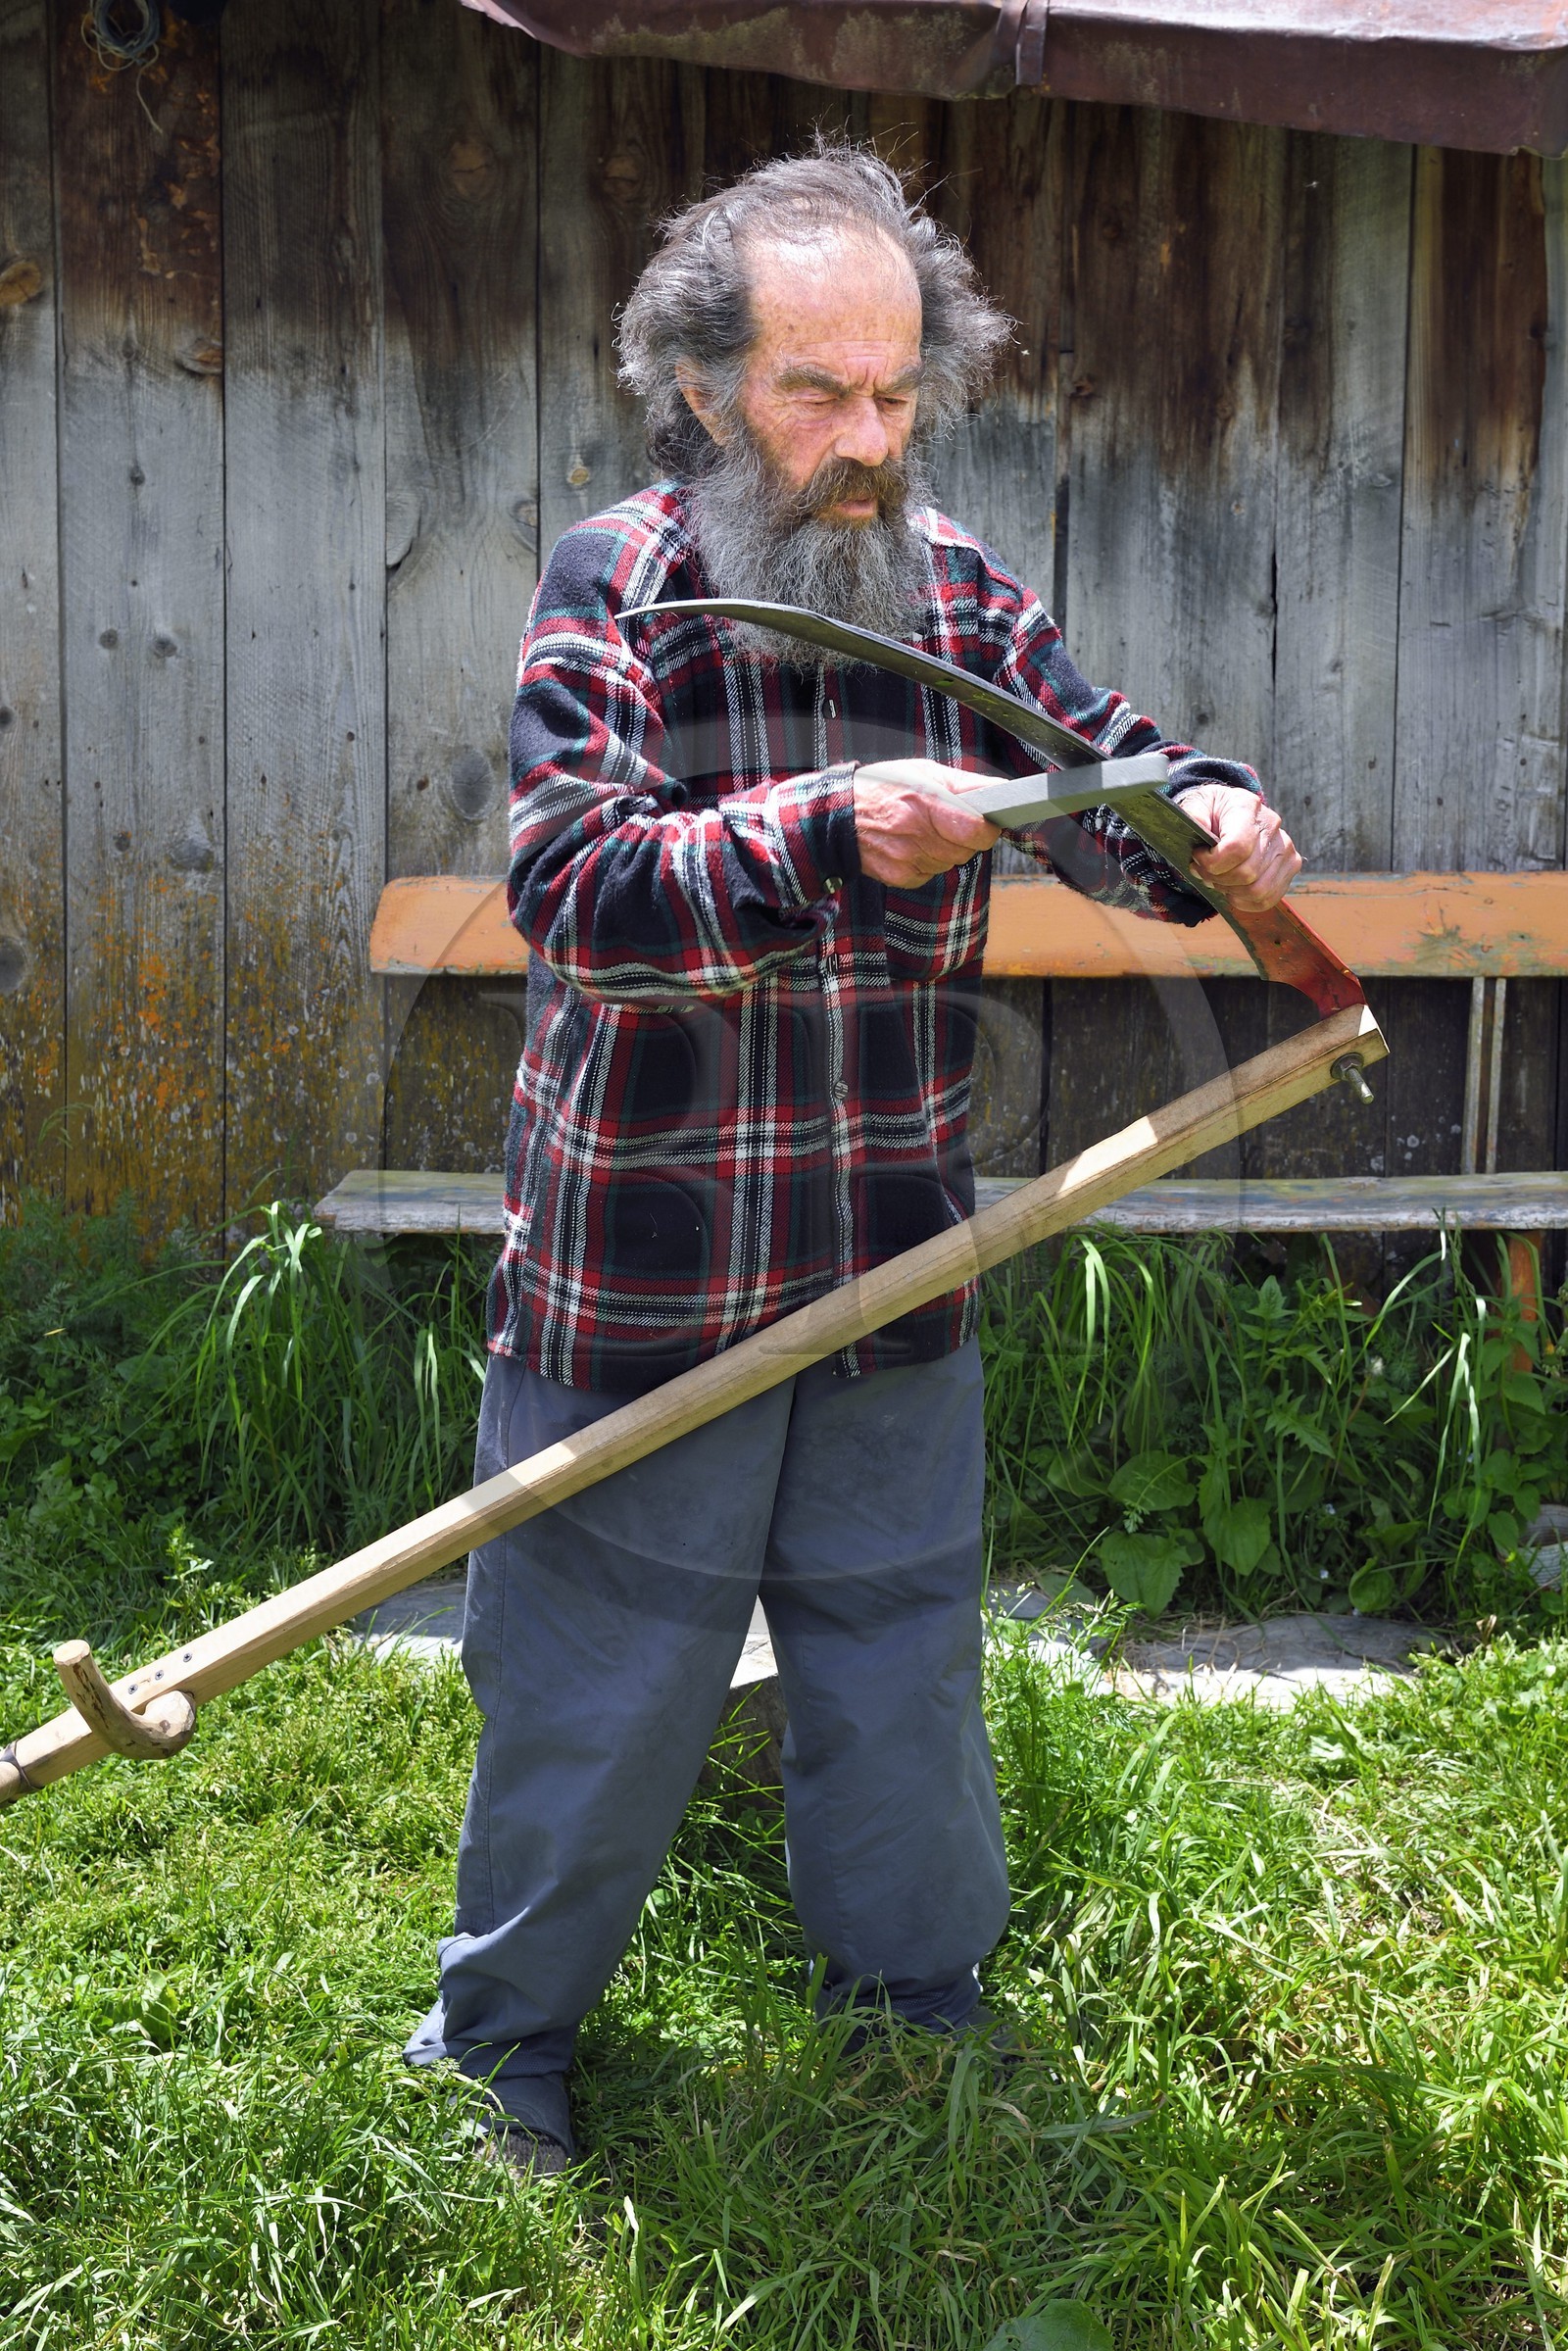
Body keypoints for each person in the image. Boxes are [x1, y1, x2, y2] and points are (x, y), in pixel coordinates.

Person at [406, 145, 1300, 2178]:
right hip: (645, 1272)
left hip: (890, 1264)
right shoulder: (614, 583)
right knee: (595, 1684)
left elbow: (1107, 784)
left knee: (894, 1658)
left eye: (896, 396)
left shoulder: (958, 587)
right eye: (818, 396)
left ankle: (911, 2004)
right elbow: (576, 892)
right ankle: (500, 2048)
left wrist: (1213, 822)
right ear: (708, 385)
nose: (865, 443)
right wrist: (824, 830)